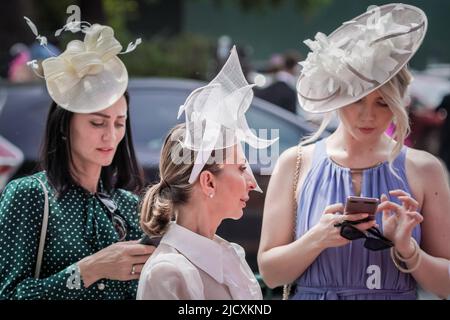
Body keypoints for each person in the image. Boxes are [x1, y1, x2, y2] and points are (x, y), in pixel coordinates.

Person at [258, 3, 450, 300]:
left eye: (383, 102)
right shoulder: (295, 162)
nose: (368, 116)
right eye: (357, 99)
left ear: (399, 103)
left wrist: (407, 249)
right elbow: (270, 272)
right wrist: (317, 239)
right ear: (336, 96)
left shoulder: (425, 169)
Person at [0, 19, 154, 299]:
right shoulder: (30, 195)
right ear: (64, 125)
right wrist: (90, 270)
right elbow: (9, 294)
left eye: (119, 123)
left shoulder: (128, 205)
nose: (110, 135)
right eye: (97, 123)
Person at [136, 46, 277, 300]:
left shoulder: (231, 254)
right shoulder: (168, 274)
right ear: (208, 182)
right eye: (242, 168)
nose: (251, 183)